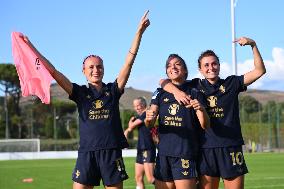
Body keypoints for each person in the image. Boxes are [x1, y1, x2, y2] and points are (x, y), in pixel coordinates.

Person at [21, 11, 150, 189]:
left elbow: (128, 62)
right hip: (87, 153)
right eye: (91, 67)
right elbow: (53, 72)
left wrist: (138, 33)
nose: (95, 70)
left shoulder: (113, 90)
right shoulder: (80, 93)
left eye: (99, 66)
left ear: (103, 69)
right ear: (84, 71)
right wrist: (31, 47)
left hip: (111, 152)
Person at [160, 37, 266, 189]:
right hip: (205, 149)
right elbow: (163, 82)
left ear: (219, 66)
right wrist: (176, 92)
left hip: (230, 146)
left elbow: (259, 71)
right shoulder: (195, 85)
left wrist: (253, 45)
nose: (211, 67)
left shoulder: (231, 83)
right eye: (206, 65)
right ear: (200, 69)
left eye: (214, 63)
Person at [145, 54, 210, 189]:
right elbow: (150, 123)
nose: (172, 67)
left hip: (185, 153)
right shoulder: (159, 92)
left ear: (185, 70)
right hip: (163, 154)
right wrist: (148, 118)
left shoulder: (194, 91)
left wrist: (201, 110)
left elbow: (205, 125)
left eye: (177, 64)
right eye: (169, 65)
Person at [124, 97, 156, 189]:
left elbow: (132, 125)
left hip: (147, 148)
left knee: (150, 178)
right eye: (135, 106)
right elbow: (131, 128)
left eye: (138, 105)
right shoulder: (140, 115)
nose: (136, 108)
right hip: (140, 149)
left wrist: (129, 127)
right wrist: (128, 129)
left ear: (143, 104)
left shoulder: (146, 113)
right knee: (138, 178)